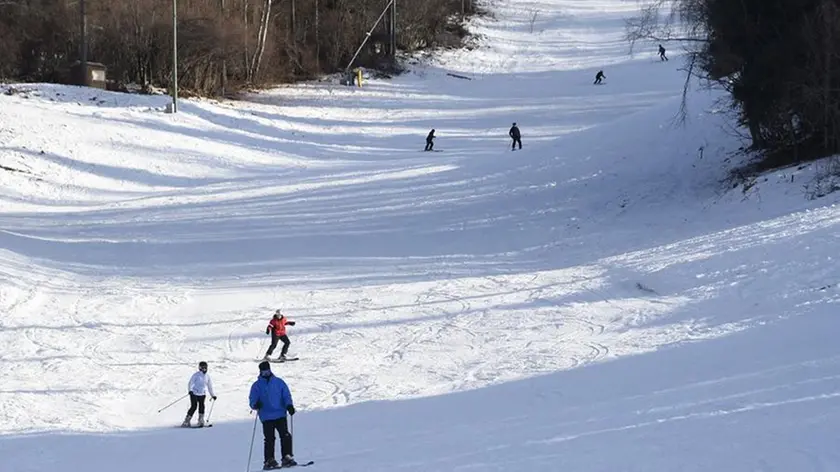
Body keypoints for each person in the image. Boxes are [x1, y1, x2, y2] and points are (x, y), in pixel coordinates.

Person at [250, 361, 297, 469]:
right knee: (269, 439)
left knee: (285, 435)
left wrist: (289, 405)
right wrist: (255, 404)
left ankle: (286, 456)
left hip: (280, 414)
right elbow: (252, 399)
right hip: (266, 416)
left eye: (267, 370)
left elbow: (286, 395)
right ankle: (269, 460)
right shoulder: (256, 386)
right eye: (264, 371)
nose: (266, 373)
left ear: (270, 370)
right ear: (260, 372)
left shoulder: (279, 382)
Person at [182, 361, 216, 427]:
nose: (205, 369)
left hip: (202, 394)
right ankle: (187, 421)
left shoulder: (207, 376)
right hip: (194, 393)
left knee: (202, 406)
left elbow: (210, 386)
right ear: (200, 368)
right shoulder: (196, 375)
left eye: (205, 368)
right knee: (194, 406)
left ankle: (201, 420)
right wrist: (190, 390)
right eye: (203, 368)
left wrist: (213, 395)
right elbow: (191, 383)